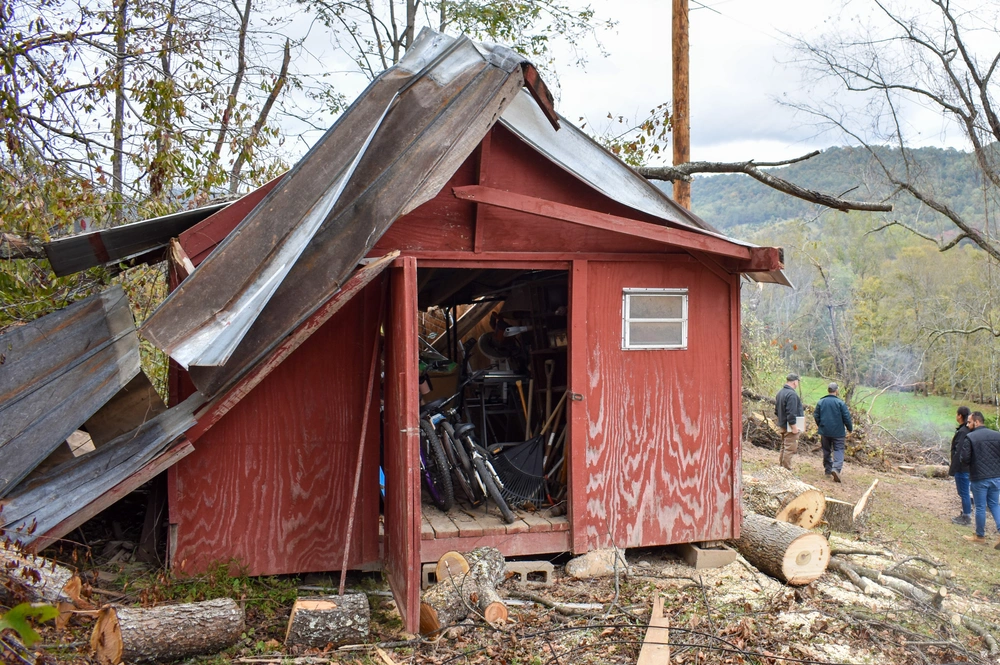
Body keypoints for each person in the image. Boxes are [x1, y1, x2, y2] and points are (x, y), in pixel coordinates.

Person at [959, 411, 1000, 548]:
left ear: (977, 422)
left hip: (979, 477)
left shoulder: (970, 437)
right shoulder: (997, 435)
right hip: (996, 477)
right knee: (994, 504)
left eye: (969, 422)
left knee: (980, 507)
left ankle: (980, 536)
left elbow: (964, 459)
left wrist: (969, 466)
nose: (968, 424)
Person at [814, 382, 853, 483]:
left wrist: (820, 425)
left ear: (828, 390)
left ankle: (827, 470)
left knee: (826, 450)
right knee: (838, 450)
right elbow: (846, 417)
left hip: (825, 431)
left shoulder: (821, 402)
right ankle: (836, 469)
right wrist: (850, 428)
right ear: (836, 391)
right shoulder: (840, 403)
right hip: (838, 432)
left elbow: (816, 416)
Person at [775, 373, 804, 470]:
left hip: (782, 424)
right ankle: (786, 470)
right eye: (797, 382)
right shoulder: (791, 394)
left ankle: (781, 468)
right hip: (790, 426)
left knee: (784, 447)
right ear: (795, 382)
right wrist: (794, 427)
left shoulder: (780, 392)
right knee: (790, 448)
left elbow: (776, 411)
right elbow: (791, 413)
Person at [948, 406, 972, 525]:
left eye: (957, 414)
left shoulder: (963, 432)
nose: (956, 416)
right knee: (964, 492)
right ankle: (965, 513)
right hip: (965, 467)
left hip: (962, 468)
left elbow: (959, 452)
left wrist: (954, 468)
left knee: (963, 493)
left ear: (960, 416)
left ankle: (966, 517)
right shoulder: (965, 430)